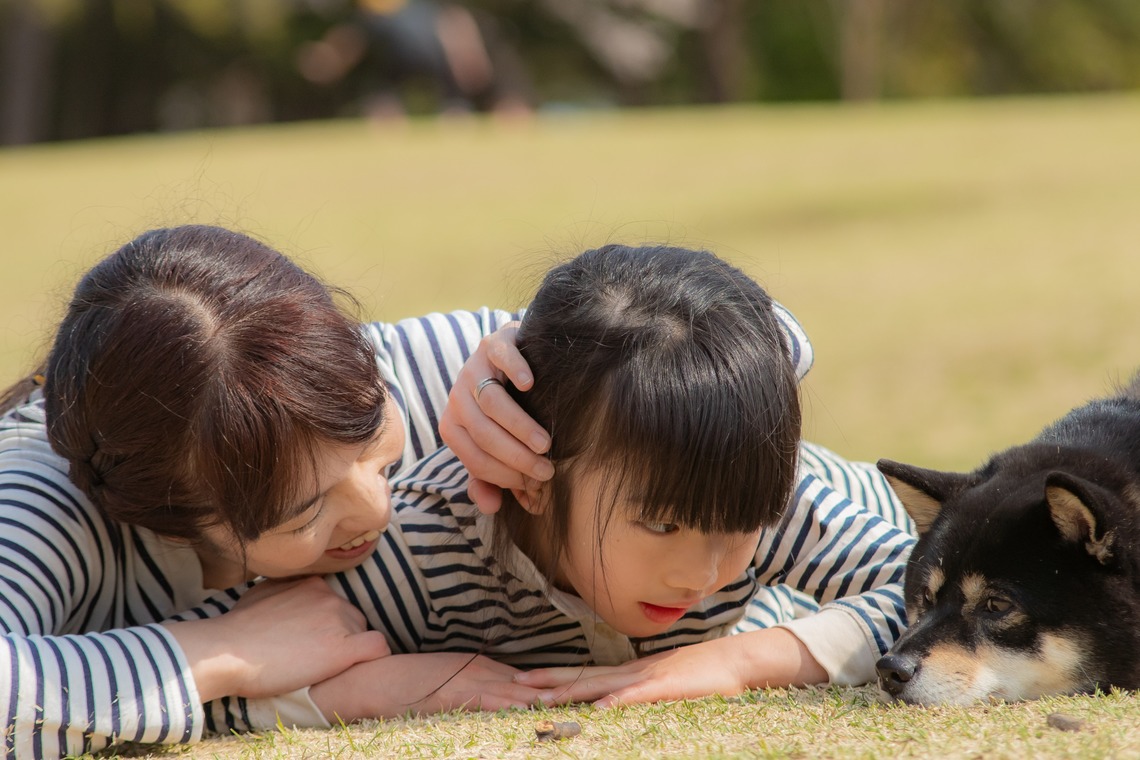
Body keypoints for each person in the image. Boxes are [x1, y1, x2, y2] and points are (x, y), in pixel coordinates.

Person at [284, 243, 914, 722]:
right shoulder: (424, 551)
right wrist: (371, 688)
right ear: (533, 481)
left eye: (738, 526)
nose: (700, 571)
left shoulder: (754, 499)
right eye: (662, 524)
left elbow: (925, 585)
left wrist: (736, 661)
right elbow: (251, 661)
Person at [0, 224, 546, 758]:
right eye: (302, 517)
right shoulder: (42, 500)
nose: (376, 508)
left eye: (371, 436)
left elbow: (625, 346)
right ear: (168, 521)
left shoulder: (437, 378)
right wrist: (229, 652)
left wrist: (546, 367)